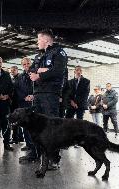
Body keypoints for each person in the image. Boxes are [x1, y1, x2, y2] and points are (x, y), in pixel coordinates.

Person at [29, 29, 68, 168]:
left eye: (38, 39)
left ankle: (54, 159)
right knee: (38, 126)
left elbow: (58, 71)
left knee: (51, 127)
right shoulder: (39, 55)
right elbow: (31, 70)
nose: (37, 42)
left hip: (51, 94)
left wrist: (41, 74)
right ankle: (39, 155)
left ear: (46, 39)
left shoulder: (59, 52)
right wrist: (43, 70)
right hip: (38, 93)